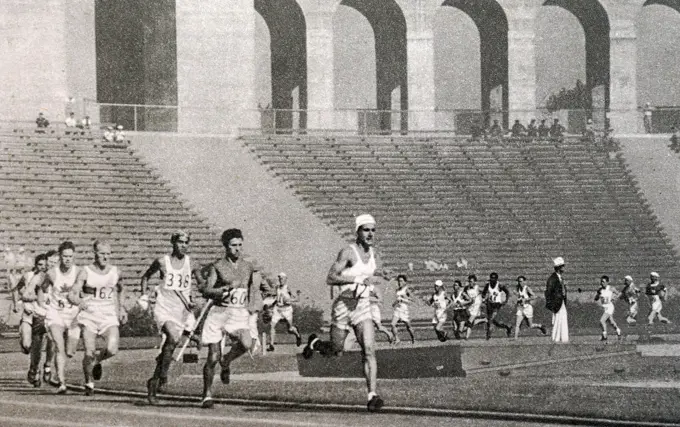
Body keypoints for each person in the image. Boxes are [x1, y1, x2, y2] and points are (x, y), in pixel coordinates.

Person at [302, 214, 390, 412]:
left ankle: (372, 395)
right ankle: (315, 343)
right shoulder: (348, 253)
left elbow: (375, 272)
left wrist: (381, 275)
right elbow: (331, 277)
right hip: (343, 307)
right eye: (366, 230)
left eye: (373, 230)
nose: (370, 234)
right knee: (336, 350)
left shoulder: (375, 254)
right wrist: (356, 280)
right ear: (357, 231)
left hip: (362, 307)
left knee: (369, 349)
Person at [199, 229, 262, 408]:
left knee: (247, 343)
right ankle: (207, 394)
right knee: (212, 357)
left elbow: (254, 287)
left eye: (240, 245)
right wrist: (224, 289)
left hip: (238, 313)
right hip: (219, 313)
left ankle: (226, 361)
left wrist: (252, 303)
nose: (237, 249)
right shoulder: (218, 266)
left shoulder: (248, 266)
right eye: (233, 245)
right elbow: (206, 290)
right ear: (226, 246)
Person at [142, 231, 196, 405]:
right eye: (180, 242)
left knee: (171, 346)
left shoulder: (191, 262)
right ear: (173, 243)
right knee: (172, 337)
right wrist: (145, 295)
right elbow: (145, 277)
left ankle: (154, 382)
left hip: (183, 311)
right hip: (164, 308)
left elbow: (197, 283)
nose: (184, 245)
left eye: (186, 242)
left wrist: (194, 298)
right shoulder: (162, 262)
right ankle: (164, 375)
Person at [70, 241, 127, 395]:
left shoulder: (116, 272)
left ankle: (96, 362)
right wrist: (77, 301)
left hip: (108, 316)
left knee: (112, 349)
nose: (105, 257)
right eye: (102, 253)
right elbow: (72, 293)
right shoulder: (85, 272)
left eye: (108, 254)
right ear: (94, 253)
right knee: (89, 351)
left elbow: (122, 289)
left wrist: (122, 308)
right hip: (89, 316)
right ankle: (89, 383)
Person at [37, 241, 84, 394]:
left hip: (73, 315)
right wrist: (42, 303)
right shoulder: (52, 273)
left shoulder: (79, 272)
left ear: (74, 256)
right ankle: (62, 382)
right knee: (59, 347)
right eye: (65, 256)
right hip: (55, 313)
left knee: (70, 351)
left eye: (70, 256)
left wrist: (82, 301)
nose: (68, 259)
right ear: (60, 257)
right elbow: (40, 288)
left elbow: (86, 290)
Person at [17, 254, 48, 386]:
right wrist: (30, 300)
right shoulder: (28, 276)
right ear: (36, 265)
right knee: (26, 345)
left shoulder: (50, 278)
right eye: (40, 264)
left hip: (40, 316)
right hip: (28, 314)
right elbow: (19, 290)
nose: (42, 267)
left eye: (44, 265)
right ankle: (22, 341)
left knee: (37, 346)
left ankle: (34, 371)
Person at [267, 272, 302, 352]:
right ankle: (271, 345)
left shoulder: (288, 288)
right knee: (272, 326)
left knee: (290, 329)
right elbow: (277, 299)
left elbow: (297, 299)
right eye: (279, 278)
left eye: (282, 278)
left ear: (286, 279)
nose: (280, 280)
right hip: (278, 309)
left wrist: (289, 300)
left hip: (287, 310)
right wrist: (271, 305)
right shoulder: (277, 288)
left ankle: (297, 334)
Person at [482, 272, 512, 339]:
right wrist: (484, 299)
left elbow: (507, 292)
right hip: (490, 304)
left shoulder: (499, 285)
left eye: (494, 278)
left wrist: (505, 301)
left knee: (491, 319)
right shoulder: (487, 285)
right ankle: (507, 327)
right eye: (491, 278)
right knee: (493, 321)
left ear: (496, 279)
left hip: (497, 304)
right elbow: (483, 293)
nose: (492, 280)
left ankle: (488, 335)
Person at [545, 257, 568, 343]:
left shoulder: (560, 278)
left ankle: (562, 338)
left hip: (561, 302)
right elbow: (548, 292)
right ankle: (556, 338)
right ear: (558, 268)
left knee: (562, 318)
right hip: (557, 303)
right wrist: (551, 304)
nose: (563, 268)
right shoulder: (553, 279)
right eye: (562, 266)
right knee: (558, 319)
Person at [594, 275, 621, 341]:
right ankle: (618, 331)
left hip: (610, 307)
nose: (601, 283)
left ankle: (605, 336)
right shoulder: (600, 290)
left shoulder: (611, 288)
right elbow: (596, 299)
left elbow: (619, 294)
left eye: (603, 282)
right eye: (601, 282)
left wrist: (614, 298)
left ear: (607, 282)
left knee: (602, 321)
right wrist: (598, 294)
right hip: (605, 308)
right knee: (611, 322)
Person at [390, 274, 415, 344]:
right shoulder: (397, 290)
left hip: (404, 310)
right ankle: (397, 339)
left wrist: (404, 298)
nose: (399, 282)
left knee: (408, 327)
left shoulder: (407, 290)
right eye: (398, 281)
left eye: (401, 281)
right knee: (392, 325)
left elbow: (412, 300)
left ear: (405, 282)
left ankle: (413, 339)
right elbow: (398, 299)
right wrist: (394, 303)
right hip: (397, 309)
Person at [464, 274, 487, 339]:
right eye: (469, 281)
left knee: (470, 320)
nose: (470, 283)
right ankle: (483, 319)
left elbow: (484, 292)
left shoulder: (477, 287)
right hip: (470, 306)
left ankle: (466, 337)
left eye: (471, 281)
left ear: (475, 282)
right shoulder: (467, 288)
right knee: (471, 321)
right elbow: (464, 294)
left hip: (476, 305)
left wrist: (483, 299)